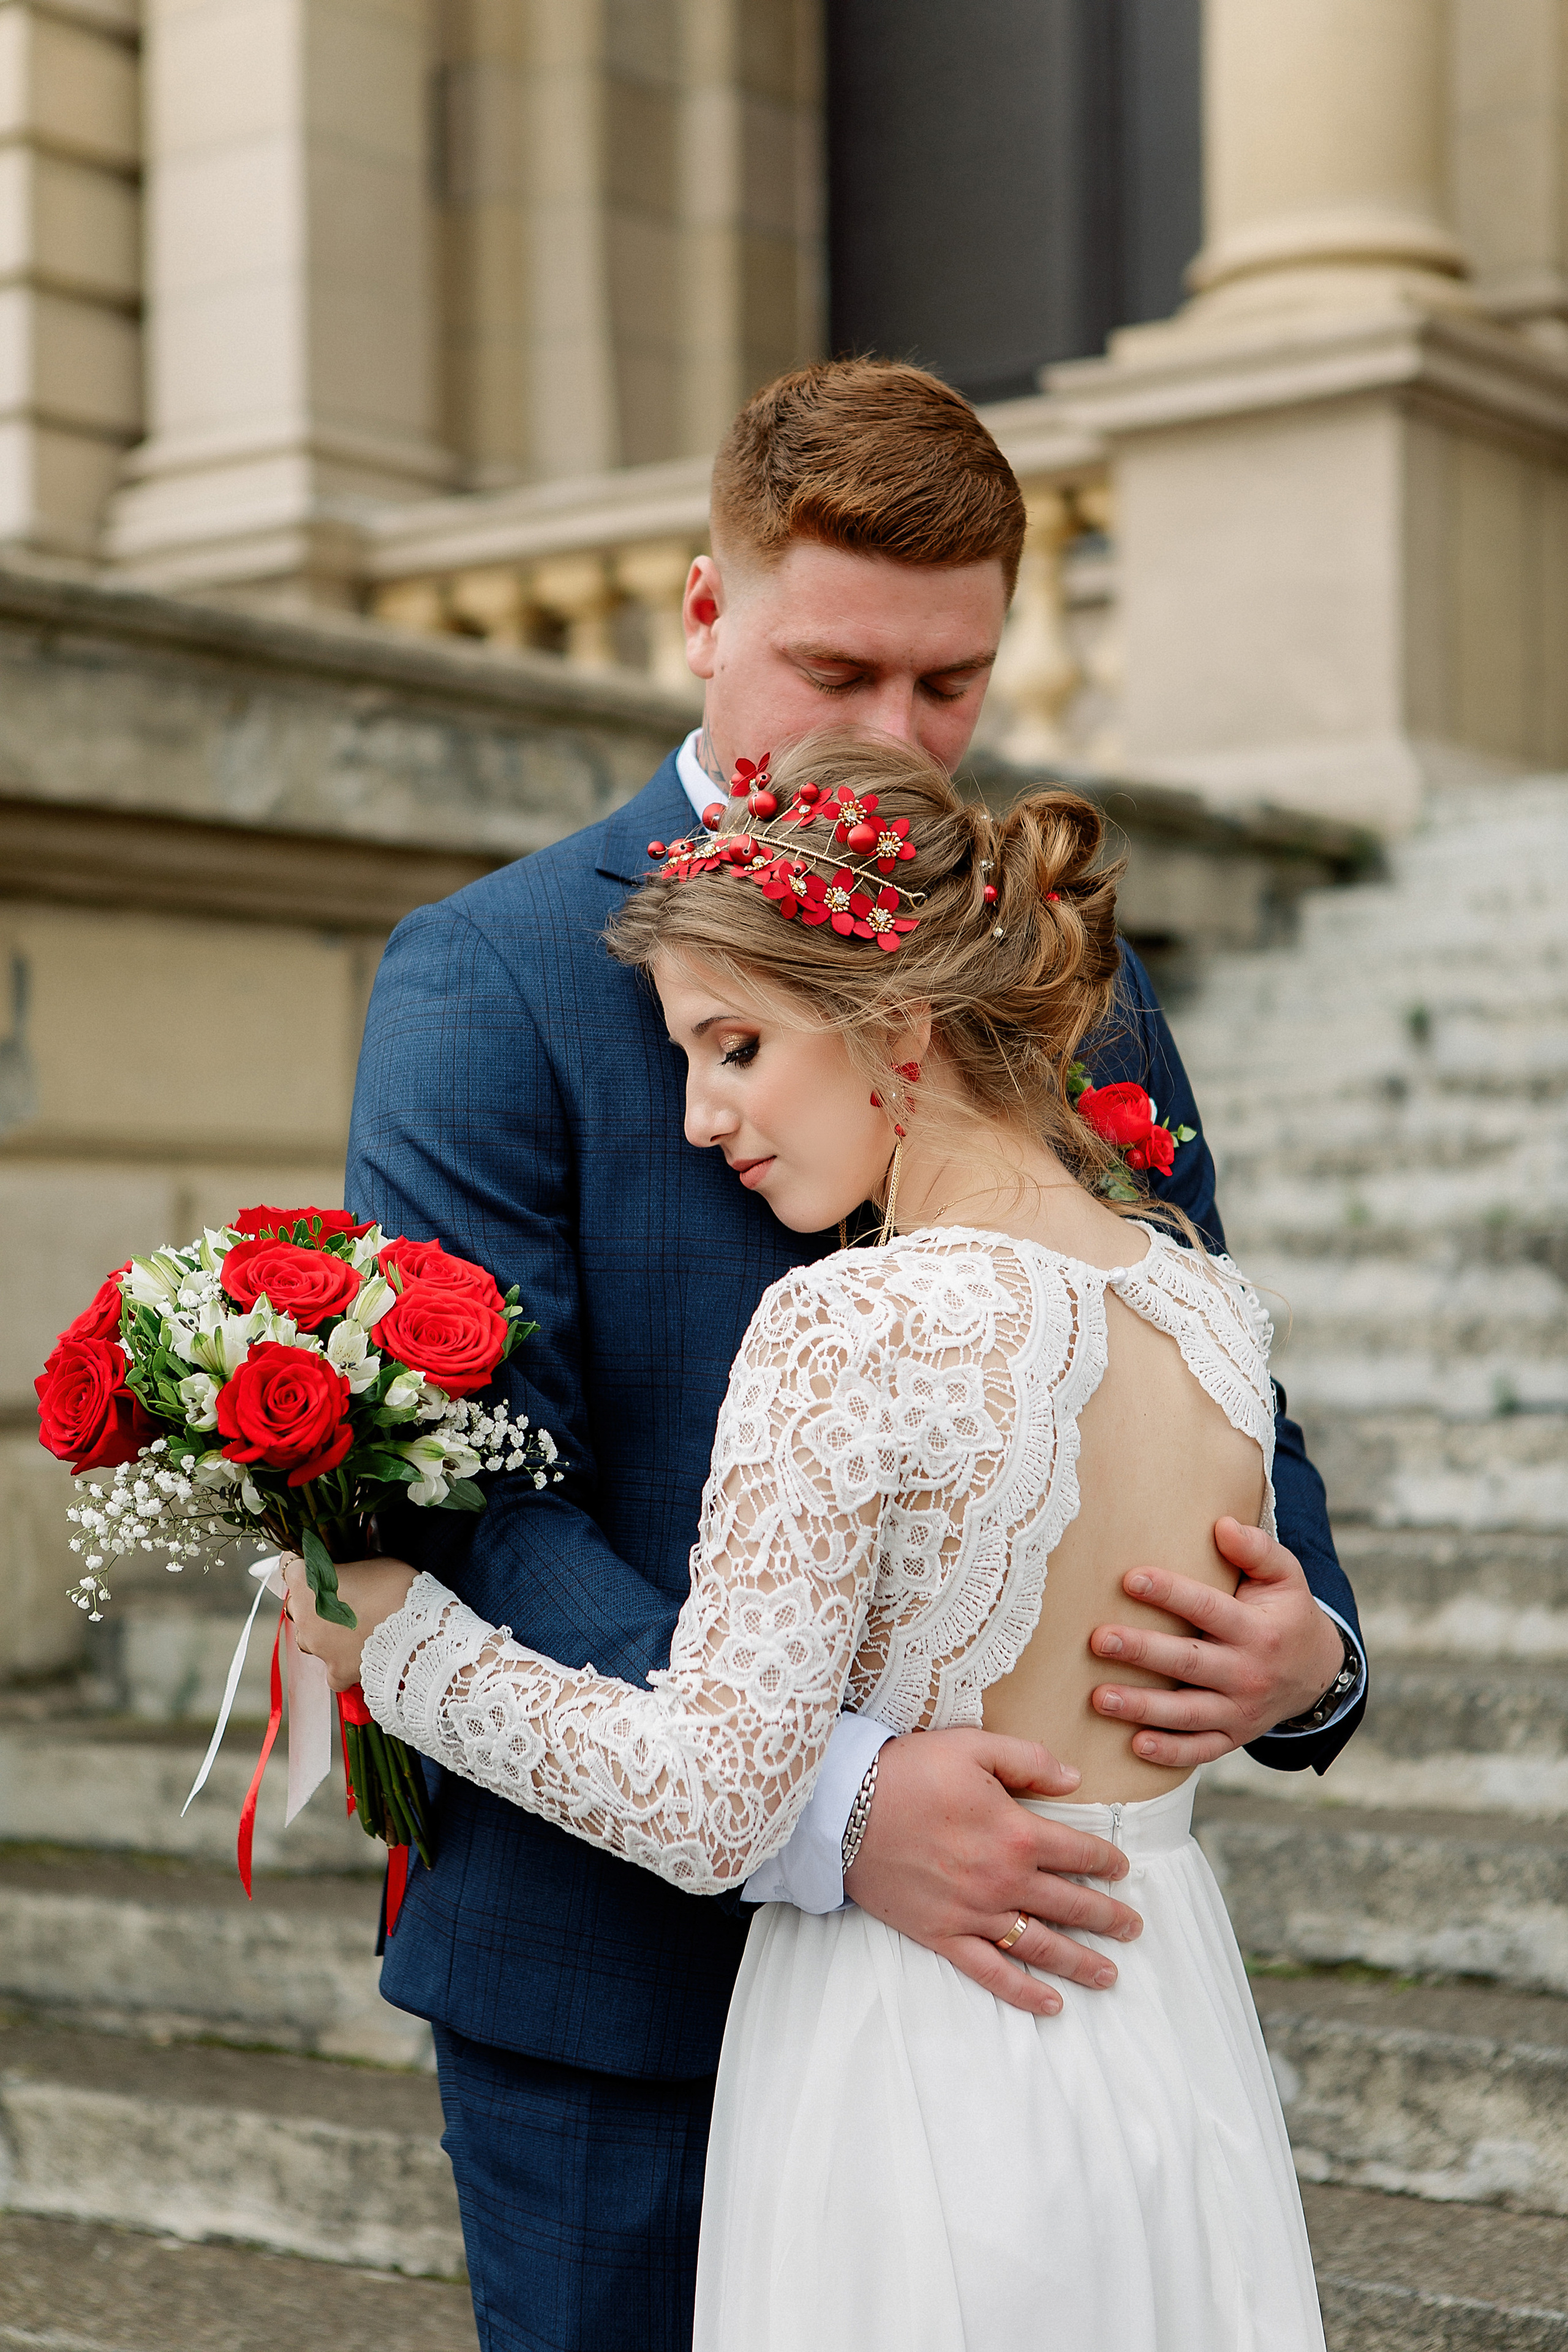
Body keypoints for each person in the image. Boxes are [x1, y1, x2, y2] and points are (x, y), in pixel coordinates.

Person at [343, 360, 1364, 2352]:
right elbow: (477, 1476)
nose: (898, 738)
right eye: (840, 669)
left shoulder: (1060, 966)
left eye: (952, 687)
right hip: (612, 1995)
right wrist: (830, 1800)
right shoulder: (497, 971)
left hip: (1017, 2013)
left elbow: (1206, 1341)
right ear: (706, 616)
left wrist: (1310, 1643)